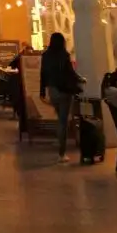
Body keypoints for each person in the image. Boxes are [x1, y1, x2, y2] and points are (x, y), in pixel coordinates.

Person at [40, 32, 82, 164]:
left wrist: (42, 92)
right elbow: (70, 73)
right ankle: (61, 153)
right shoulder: (64, 55)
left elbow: (43, 74)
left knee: (60, 120)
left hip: (52, 91)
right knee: (63, 122)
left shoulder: (45, 56)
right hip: (64, 91)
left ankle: (60, 144)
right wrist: (80, 79)